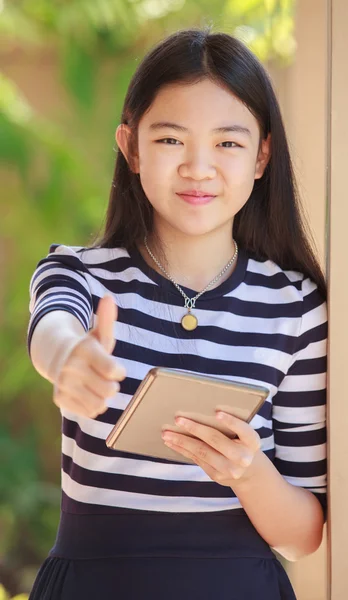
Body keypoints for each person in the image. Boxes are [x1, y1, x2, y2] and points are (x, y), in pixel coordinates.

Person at [27, 27, 328, 600]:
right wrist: (68, 358)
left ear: (263, 156)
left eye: (228, 144)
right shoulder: (81, 273)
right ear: (131, 147)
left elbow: (304, 534)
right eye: (170, 140)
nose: (198, 167)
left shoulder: (298, 309)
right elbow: (54, 324)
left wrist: (247, 473)